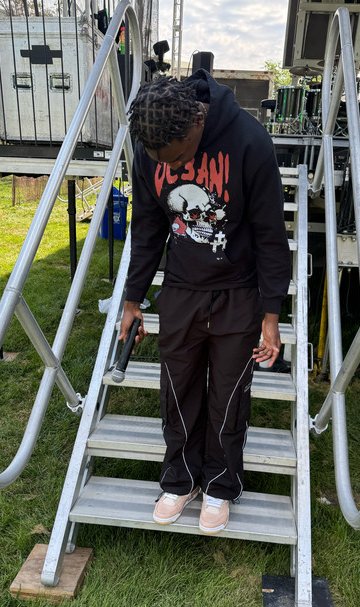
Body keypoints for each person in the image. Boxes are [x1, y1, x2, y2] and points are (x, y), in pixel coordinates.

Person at [119, 70, 291, 534]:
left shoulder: (249, 141)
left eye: (178, 158)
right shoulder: (149, 146)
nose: (172, 168)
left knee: (228, 396)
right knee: (177, 390)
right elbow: (148, 227)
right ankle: (180, 480)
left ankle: (220, 483)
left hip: (238, 290)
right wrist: (133, 298)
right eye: (163, 162)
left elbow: (271, 234)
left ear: (197, 122)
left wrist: (271, 313)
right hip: (181, 289)